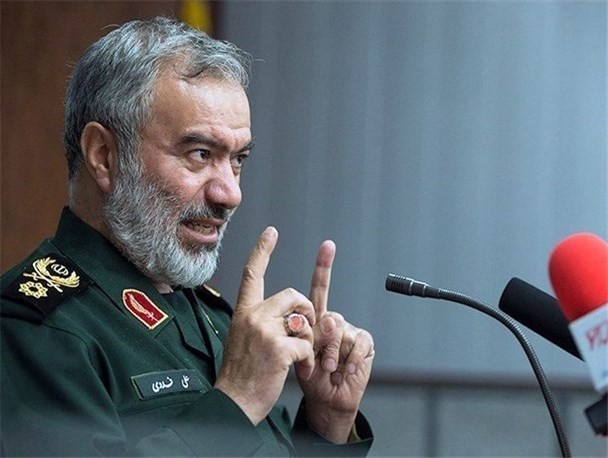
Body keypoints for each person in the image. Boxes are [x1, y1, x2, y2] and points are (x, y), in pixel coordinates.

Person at [0, 16, 375, 457]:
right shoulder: (35, 328)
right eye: (200, 154)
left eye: (238, 159)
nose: (230, 193)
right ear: (104, 156)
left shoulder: (211, 316)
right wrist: (236, 402)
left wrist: (326, 428)